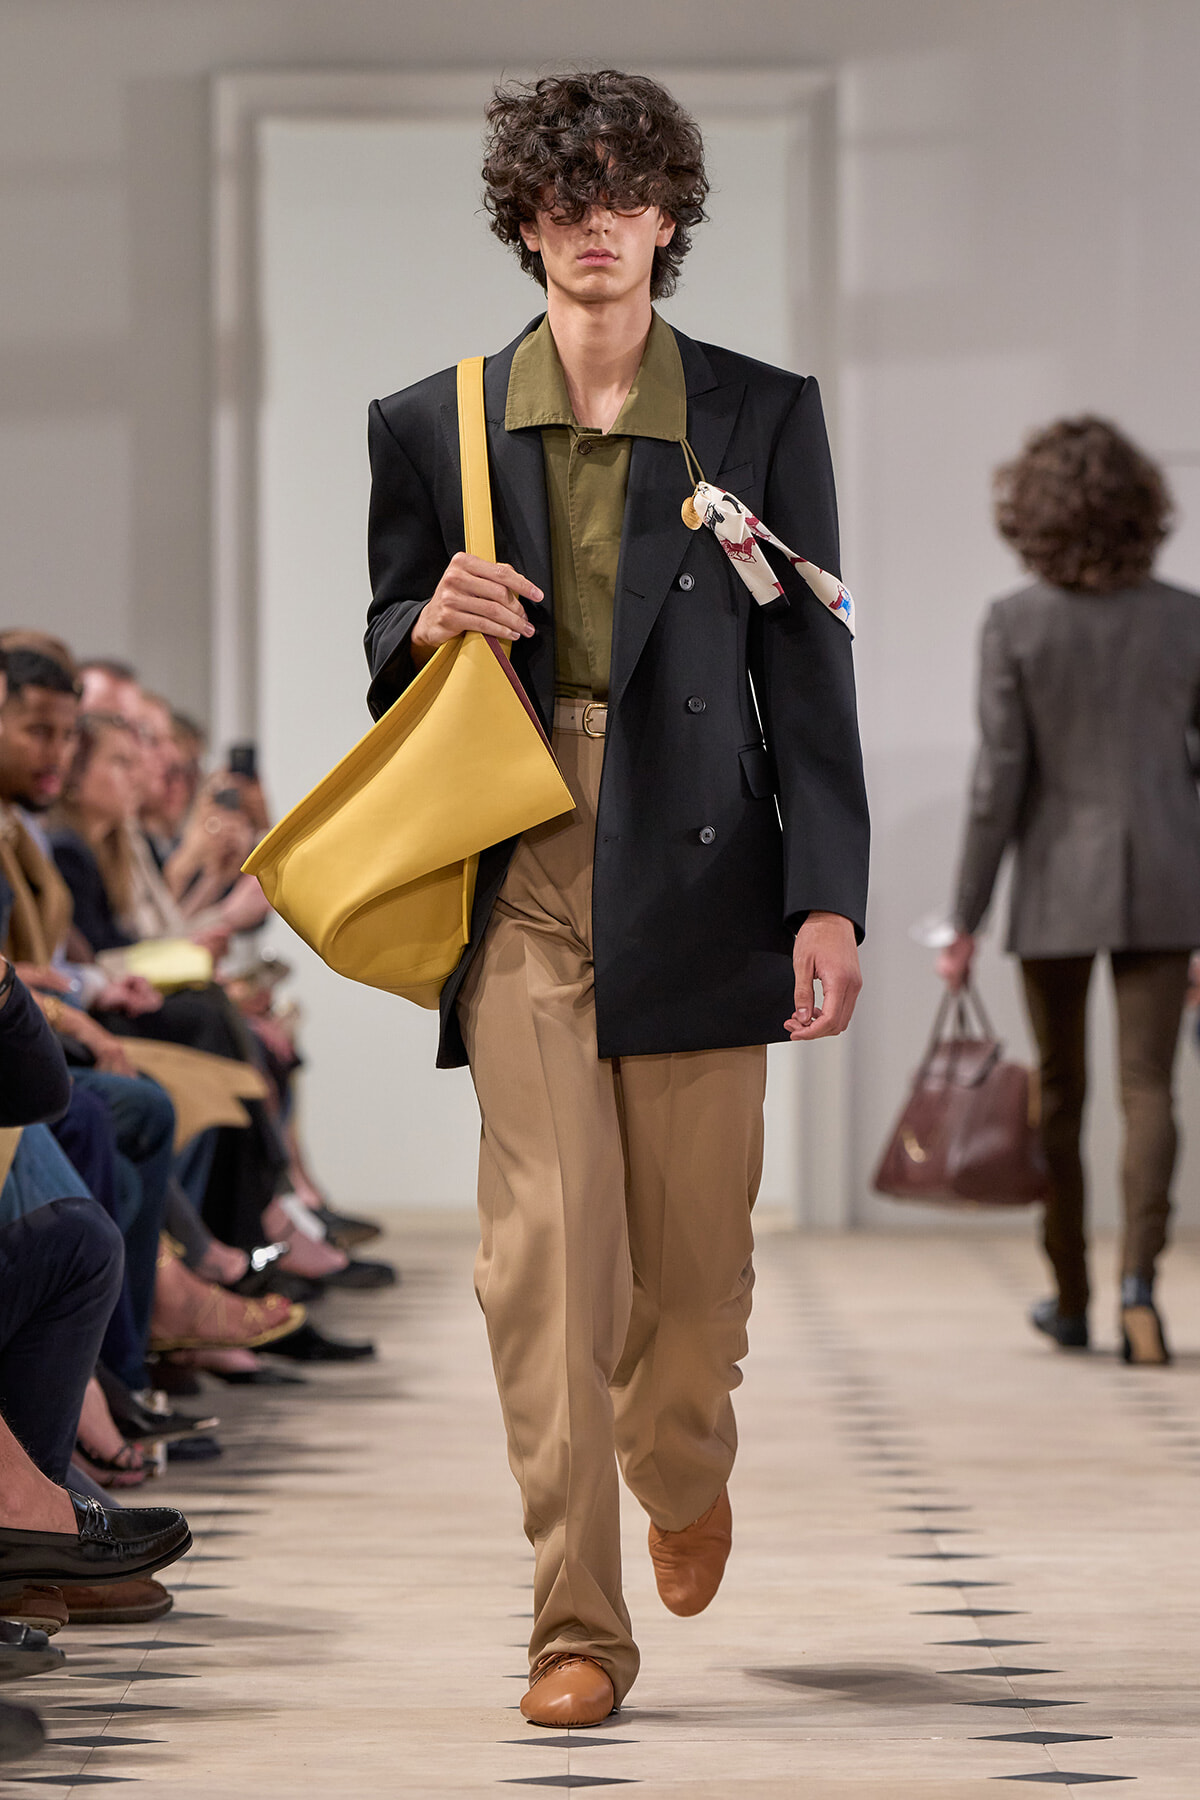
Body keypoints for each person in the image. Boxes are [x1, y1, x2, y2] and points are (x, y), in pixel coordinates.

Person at [364, 70, 868, 1725]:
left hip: (710, 868)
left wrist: (830, 896)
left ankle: (682, 1460)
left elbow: (808, 664)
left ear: (668, 219)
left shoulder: (760, 411)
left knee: (695, 1290)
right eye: (565, 199)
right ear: (526, 223)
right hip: (525, 859)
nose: (597, 226)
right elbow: (386, 643)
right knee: (547, 1262)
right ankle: (573, 1627)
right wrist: (423, 621)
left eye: (627, 197)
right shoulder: (429, 422)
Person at [938, 416, 1200, 1366]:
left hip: (1054, 883)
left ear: (1032, 512)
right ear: (1143, 509)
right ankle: (1140, 1289)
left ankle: (1072, 1296)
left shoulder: (1016, 622)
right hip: (1169, 877)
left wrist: (964, 916)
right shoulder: (1186, 618)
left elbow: (998, 782)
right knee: (1148, 1088)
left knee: (1060, 1093)